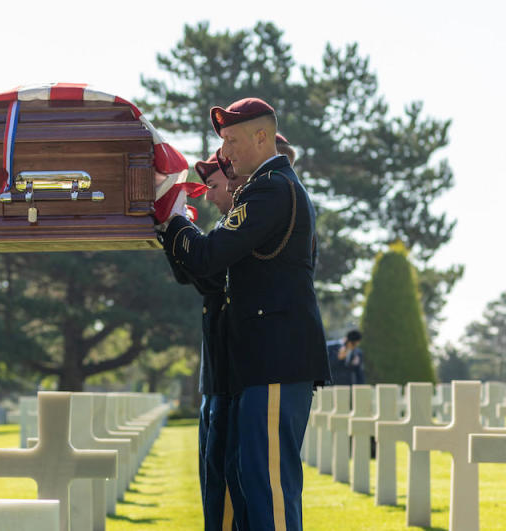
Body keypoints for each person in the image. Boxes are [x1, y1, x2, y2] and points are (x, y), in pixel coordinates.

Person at [158, 98, 330, 530]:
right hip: (259, 364)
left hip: (274, 361)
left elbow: (208, 256)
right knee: (248, 487)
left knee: (267, 493)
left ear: (261, 137)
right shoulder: (263, 188)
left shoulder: (270, 188)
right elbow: (208, 273)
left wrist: (172, 215)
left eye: (231, 140)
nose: (225, 153)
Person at [164, 153, 249, 529]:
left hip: (232, 377)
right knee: (214, 486)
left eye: (213, 186)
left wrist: (176, 223)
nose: (209, 197)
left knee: (229, 486)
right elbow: (192, 276)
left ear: (235, 183)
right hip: (215, 378)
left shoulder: (244, 230)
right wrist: (171, 232)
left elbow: (211, 275)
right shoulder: (225, 229)